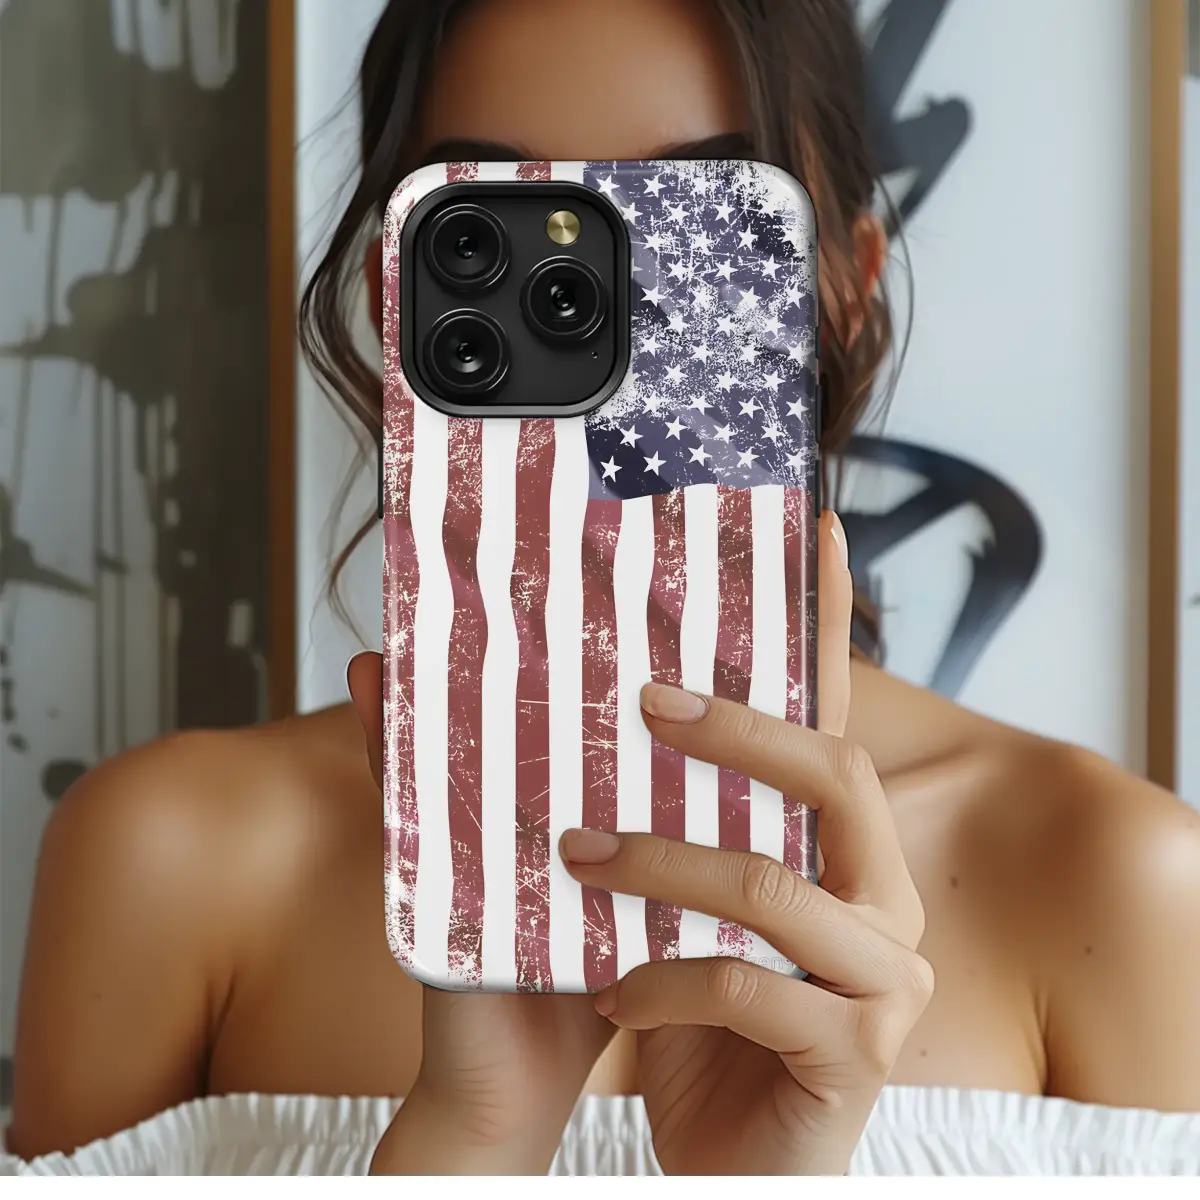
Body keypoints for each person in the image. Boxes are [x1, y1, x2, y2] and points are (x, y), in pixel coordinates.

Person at [7, 0, 1200, 1177]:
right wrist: (475, 1139)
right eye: (493, 226)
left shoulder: (1115, 882)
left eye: (698, 215)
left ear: (844, 288)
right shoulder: (171, 862)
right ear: (395, 293)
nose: (604, 313)